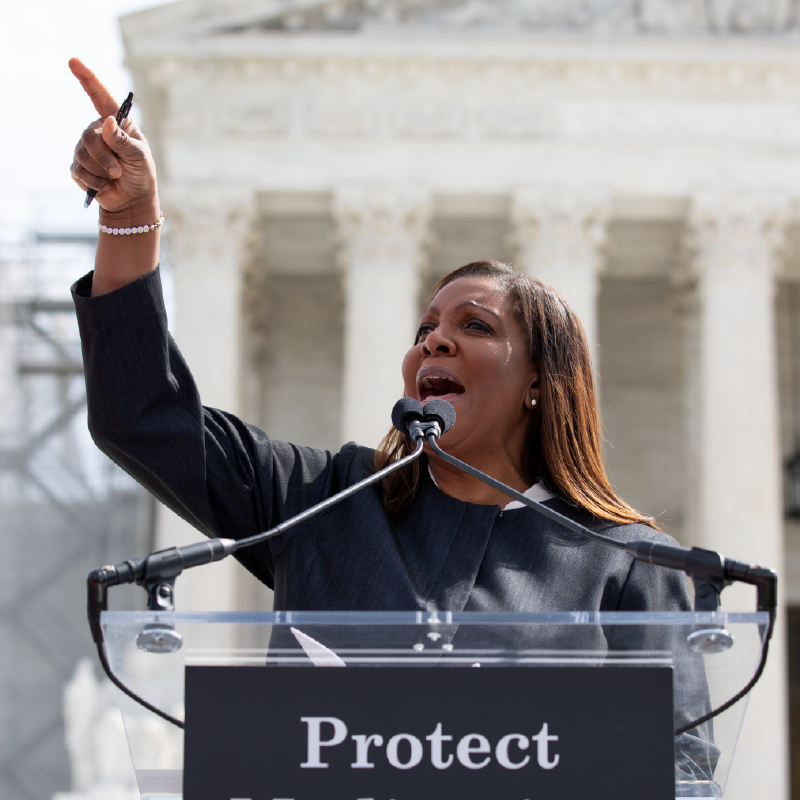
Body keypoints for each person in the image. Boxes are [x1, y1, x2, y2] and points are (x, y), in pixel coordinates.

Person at [68, 59, 717, 780]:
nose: (434, 340)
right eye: (425, 328)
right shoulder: (323, 502)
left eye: (474, 325)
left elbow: (685, 770)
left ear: (540, 379)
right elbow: (141, 415)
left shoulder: (625, 563)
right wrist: (129, 218)